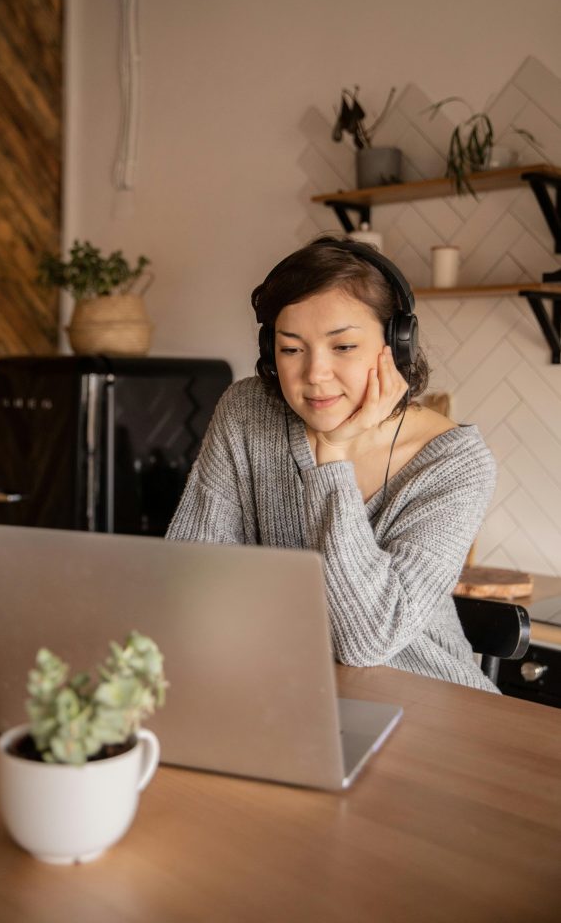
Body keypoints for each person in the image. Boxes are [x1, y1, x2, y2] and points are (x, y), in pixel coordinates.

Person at [166, 237, 498, 693]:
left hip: (430, 698)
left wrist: (333, 457)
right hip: (286, 690)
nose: (315, 374)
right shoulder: (247, 412)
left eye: (342, 346)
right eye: (291, 349)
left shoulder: (456, 463)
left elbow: (367, 639)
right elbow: (190, 581)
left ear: (397, 346)